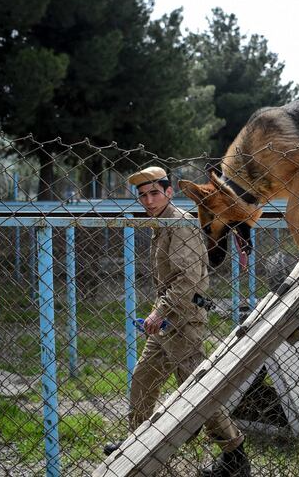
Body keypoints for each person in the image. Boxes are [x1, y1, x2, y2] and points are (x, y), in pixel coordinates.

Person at [103, 166, 250, 477]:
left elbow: (187, 279)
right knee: (144, 377)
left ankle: (235, 455)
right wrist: (161, 312)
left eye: (154, 192)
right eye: (143, 195)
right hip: (168, 320)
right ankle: (137, 444)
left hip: (183, 322)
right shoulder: (162, 223)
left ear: (169, 193)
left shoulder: (179, 224)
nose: (148, 199)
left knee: (197, 392)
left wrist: (159, 312)